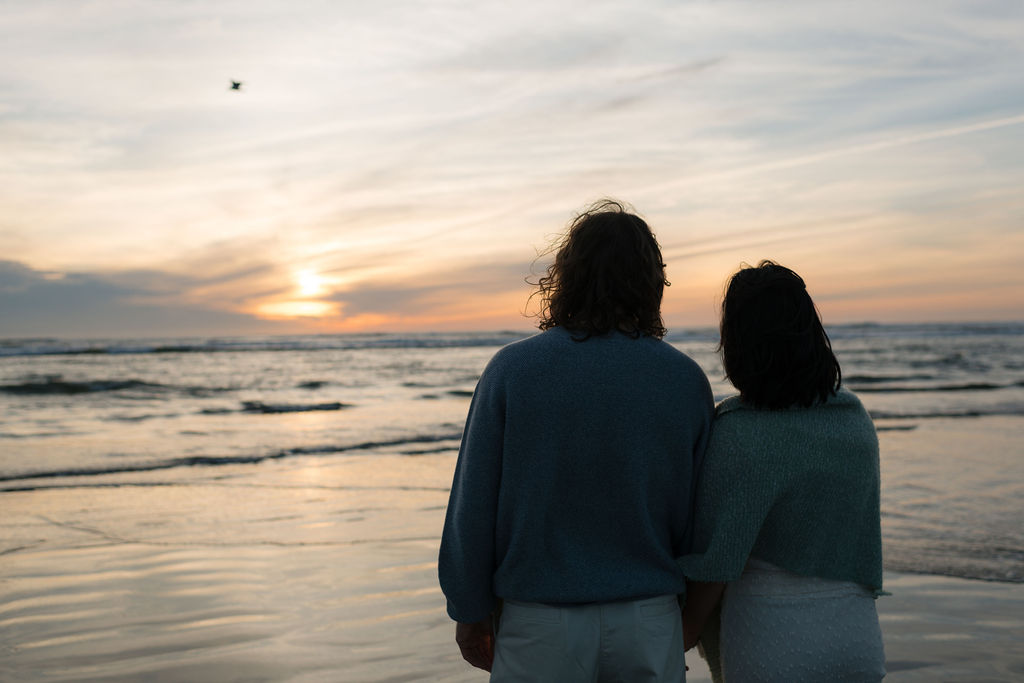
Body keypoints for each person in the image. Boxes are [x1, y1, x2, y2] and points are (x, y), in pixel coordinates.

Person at [438, 200, 714, 682]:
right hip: (648, 618)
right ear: (652, 281)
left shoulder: (513, 370)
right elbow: (700, 516)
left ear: (566, 275)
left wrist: (469, 608)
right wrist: (688, 615)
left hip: (540, 621)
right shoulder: (684, 379)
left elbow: (473, 504)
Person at [680, 260, 885, 682]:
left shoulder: (739, 435)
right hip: (858, 640)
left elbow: (718, 562)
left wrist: (681, 632)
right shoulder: (854, 421)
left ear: (737, 343)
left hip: (773, 639)